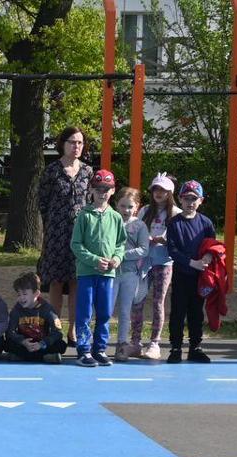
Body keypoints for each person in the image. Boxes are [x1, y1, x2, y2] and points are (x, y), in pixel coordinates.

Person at [39, 127, 92, 347]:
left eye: (80, 143)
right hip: (55, 236)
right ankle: (55, 328)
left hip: (80, 236)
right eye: (72, 142)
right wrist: (53, 223)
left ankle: (74, 330)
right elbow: (42, 202)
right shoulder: (51, 170)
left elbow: (91, 201)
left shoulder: (89, 172)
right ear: (63, 143)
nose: (76, 146)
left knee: (76, 282)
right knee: (56, 283)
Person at [70, 170, 123, 366]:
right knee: (84, 312)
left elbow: (121, 244)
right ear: (91, 189)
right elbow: (76, 244)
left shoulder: (116, 217)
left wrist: (117, 258)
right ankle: (83, 350)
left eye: (107, 189)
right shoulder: (84, 216)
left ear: (113, 190)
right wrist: (93, 260)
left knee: (105, 312)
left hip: (107, 274)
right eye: (99, 188)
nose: (103, 192)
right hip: (86, 272)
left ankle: (99, 348)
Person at [165, 180, 216, 363]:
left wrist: (208, 258)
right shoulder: (173, 223)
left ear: (200, 200)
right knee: (178, 312)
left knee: (196, 312)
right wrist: (191, 262)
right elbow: (172, 250)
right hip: (181, 275)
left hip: (199, 277)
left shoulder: (206, 223)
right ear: (180, 199)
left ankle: (195, 347)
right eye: (187, 198)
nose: (190, 202)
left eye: (194, 199)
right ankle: (176, 347)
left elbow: (213, 246)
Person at [134, 174, 176, 359]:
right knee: (138, 301)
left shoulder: (175, 212)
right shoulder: (144, 210)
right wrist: (145, 240)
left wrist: (163, 240)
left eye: (163, 190)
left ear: (170, 192)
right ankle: (135, 342)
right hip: (144, 262)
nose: (159, 193)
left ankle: (155, 343)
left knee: (158, 302)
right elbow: (137, 232)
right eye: (156, 189)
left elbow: (176, 238)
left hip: (163, 263)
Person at [113, 187, 147, 361]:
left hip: (130, 274)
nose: (126, 210)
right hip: (111, 273)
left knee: (125, 311)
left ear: (136, 207)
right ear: (116, 205)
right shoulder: (111, 220)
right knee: (106, 310)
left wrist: (121, 256)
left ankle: (121, 345)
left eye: (129, 206)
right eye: (122, 206)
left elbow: (144, 250)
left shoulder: (140, 225)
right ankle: (99, 344)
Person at [5, 272, 67, 363]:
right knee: (8, 344)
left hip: (42, 344)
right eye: (19, 294)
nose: (21, 298)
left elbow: (57, 332)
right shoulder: (16, 310)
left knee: (61, 345)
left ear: (36, 293)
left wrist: (42, 343)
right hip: (25, 344)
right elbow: (10, 332)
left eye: (25, 294)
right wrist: (22, 341)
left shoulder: (47, 309)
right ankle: (45, 357)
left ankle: (22, 357)